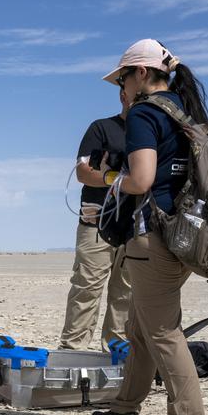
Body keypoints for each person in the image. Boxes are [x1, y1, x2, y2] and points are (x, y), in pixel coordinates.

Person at [88, 39, 208, 415]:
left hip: (151, 237)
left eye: (123, 78)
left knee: (162, 332)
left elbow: (141, 181)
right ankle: (123, 412)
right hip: (184, 236)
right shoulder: (185, 111)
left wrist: (106, 180)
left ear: (140, 73)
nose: (121, 87)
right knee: (140, 331)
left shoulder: (146, 112)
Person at [58, 83, 132, 351]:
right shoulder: (101, 128)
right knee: (86, 289)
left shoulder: (150, 136)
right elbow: (82, 173)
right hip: (97, 223)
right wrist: (120, 179)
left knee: (126, 294)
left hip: (136, 226)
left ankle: (117, 353)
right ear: (123, 94)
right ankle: (72, 352)